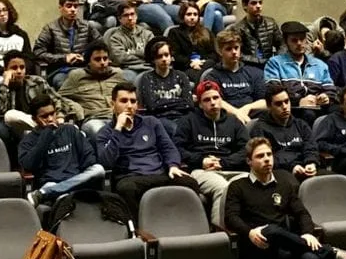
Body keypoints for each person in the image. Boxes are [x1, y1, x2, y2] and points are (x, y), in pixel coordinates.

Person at [96, 83, 191, 216]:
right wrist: (118, 129)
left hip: (158, 174)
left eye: (133, 101)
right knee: (126, 188)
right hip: (131, 177)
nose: (129, 105)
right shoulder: (105, 132)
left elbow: (168, 147)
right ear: (113, 104)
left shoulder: (151, 122)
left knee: (189, 182)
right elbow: (106, 162)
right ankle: (137, 230)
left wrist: (173, 165)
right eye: (123, 101)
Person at [174, 81, 249, 219]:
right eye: (207, 100)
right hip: (201, 171)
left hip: (231, 168)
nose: (213, 102)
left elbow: (246, 150)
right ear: (200, 104)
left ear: (221, 100)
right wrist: (201, 160)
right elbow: (178, 149)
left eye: (216, 98)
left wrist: (224, 162)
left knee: (250, 184)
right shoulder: (188, 121)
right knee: (223, 187)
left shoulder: (234, 122)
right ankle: (221, 232)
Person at [18, 98, 106, 204]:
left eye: (52, 114)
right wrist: (46, 135)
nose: (50, 119)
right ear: (34, 119)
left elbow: (89, 157)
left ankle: (45, 193)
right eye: (44, 116)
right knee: (56, 191)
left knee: (98, 169)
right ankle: (56, 192)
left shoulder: (70, 130)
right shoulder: (29, 140)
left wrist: (79, 176)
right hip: (51, 182)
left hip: (76, 180)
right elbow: (29, 165)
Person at [263, 21, 336, 112]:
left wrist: (326, 97)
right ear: (286, 42)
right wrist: (298, 101)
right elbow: (273, 91)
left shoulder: (320, 65)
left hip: (318, 109)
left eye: (302, 39)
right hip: (290, 110)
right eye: (294, 40)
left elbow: (331, 90)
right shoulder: (275, 63)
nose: (299, 43)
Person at [199, 28, 267, 124]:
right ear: (219, 51)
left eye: (236, 48)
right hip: (226, 119)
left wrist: (248, 107)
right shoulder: (212, 76)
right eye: (228, 49)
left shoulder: (254, 72)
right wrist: (237, 113)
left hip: (253, 117)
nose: (234, 52)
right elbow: (215, 102)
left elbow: (265, 101)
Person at [34, 0, 103, 85]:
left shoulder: (86, 26)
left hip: (84, 69)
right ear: (60, 8)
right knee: (65, 83)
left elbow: (101, 46)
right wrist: (64, 58)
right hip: (60, 70)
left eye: (75, 6)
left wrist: (85, 57)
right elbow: (38, 52)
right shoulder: (50, 28)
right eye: (69, 6)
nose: (73, 9)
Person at [249, 85, 318, 177]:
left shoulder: (301, 124)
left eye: (286, 101)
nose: (284, 107)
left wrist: (311, 163)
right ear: (269, 106)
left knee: (328, 179)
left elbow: (311, 147)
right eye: (278, 104)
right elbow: (266, 157)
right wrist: (292, 167)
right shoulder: (260, 128)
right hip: (279, 171)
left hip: (304, 166)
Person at [58, 42, 121, 137]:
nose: (103, 62)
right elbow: (58, 97)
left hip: (117, 117)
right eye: (97, 59)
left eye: (105, 58)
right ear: (88, 62)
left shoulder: (117, 74)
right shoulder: (77, 76)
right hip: (93, 119)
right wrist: (75, 107)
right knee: (101, 133)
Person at [136, 39, 193, 127]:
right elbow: (151, 106)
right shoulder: (147, 77)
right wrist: (178, 102)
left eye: (166, 55)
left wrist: (161, 103)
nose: (164, 59)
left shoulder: (181, 76)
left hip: (182, 117)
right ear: (153, 60)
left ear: (171, 57)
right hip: (158, 120)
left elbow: (189, 104)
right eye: (159, 56)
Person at [103, 0, 154, 81]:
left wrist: (131, 53)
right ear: (120, 19)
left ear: (136, 16)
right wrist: (143, 54)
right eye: (126, 15)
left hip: (148, 67)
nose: (130, 18)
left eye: (132, 14)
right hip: (127, 69)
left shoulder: (148, 34)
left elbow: (154, 55)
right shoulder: (115, 37)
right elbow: (120, 58)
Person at [234, 0, 282, 68]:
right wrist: (259, 61)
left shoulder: (271, 23)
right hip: (249, 66)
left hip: (270, 65)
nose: (258, 6)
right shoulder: (238, 28)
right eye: (254, 3)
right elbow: (239, 54)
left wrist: (276, 59)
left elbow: (282, 44)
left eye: (260, 2)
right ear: (244, 5)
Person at [167, 0, 215, 75]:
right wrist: (191, 62)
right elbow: (175, 55)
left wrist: (201, 62)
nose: (192, 17)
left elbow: (213, 53)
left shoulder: (206, 31)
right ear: (182, 16)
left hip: (205, 64)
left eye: (195, 14)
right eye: (189, 14)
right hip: (185, 68)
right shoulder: (174, 32)